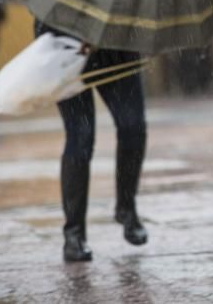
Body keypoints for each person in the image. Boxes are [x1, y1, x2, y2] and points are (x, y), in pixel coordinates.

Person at [34, 21, 148, 263]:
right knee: (81, 136)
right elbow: (43, 4)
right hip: (65, 48)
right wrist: (73, 32)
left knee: (133, 126)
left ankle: (126, 207)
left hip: (117, 44)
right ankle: (74, 235)